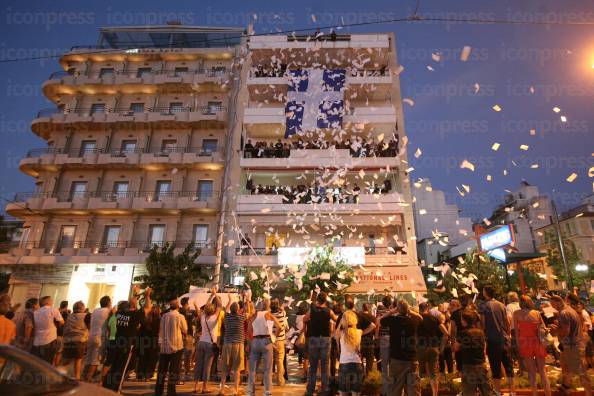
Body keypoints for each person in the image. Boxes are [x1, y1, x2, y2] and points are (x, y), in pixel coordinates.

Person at [549, 294, 591, 396]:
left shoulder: (564, 313)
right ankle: (565, 387)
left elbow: (565, 332)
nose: (553, 307)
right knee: (570, 369)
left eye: (553, 305)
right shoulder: (571, 310)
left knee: (581, 372)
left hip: (573, 346)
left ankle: (588, 392)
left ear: (558, 302)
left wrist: (555, 330)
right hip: (576, 344)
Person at [379, 299, 423, 396]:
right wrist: (409, 311)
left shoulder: (393, 320)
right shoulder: (413, 321)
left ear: (397, 309)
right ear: (407, 310)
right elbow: (420, 318)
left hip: (396, 359)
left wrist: (392, 311)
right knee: (414, 389)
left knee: (395, 388)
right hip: (412, 359)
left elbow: (380, 320)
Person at [512, 295, 550, 396]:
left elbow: (516, 332)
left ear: (520, 303)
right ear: (530, 302)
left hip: (525, 343)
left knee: (531, 372)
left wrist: (518, 345)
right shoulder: (536, 313)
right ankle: (548, 394)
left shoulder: (516, 314)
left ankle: (535, 394)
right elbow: (544, 329)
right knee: (542, 371)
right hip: (537, 342)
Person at [479, 286, 514, 395]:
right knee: (508, 366)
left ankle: (498, 392)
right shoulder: (501, 305)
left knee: (495, 367)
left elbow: (482, 324)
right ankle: (512, 392)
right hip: (504, 338)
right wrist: (508, 336)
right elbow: (506, 322)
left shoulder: (483, 306)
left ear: (485, 293)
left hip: (492, 340)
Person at [304, 291, 338, 396]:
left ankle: (310, 391)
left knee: (313, 366)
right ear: (326, 300)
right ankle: (324, 391)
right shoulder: (329, 311)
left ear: (318, 299)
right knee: (325, 366)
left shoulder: (312, 310)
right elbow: (337, 320)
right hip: (325, 339)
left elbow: (305, 319)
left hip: (313, 339)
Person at [454, 310, 495, 396]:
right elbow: (484, 348)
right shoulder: (480, 332)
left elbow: (456, 348)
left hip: (468, 365)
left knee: (469, 392)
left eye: (462, 319)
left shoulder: (462, 333)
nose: (461, 321)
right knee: (487, 391)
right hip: (481, 364)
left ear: (465, 321)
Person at [247, 298, 282, 396]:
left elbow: (249, 330)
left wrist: (250, 342)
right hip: (267, 341)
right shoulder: (269, 315)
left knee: (252, 369)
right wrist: (274, 337)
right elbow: (279, 327)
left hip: (255, 341)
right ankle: (267, 391)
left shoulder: (254, 315)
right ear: (268, 306)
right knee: (267, 369)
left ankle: (250, 391)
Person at [155, 297, 187, 396]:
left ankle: (158, 391)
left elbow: (160, 331)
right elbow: (185, 330)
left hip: (164, 347)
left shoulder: (164, 316)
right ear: (178, 306)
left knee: (162, 371)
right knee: (173, 371)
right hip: (176, 347)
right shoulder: (180, 316)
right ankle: (171, 392)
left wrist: (160, 344)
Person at [194, 297, 223, 394]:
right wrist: (215, 293)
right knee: (207, 366)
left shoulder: (203, 317)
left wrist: (211, 295)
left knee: (198, 364)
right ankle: (204, 387)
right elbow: (220, 305)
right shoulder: (215, 318)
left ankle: (195, 386)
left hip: (201, 342)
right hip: (209, 344)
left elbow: (207, 305)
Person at [417, 302, 447, 396]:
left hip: (421, 348)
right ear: (428, 308)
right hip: (434, 347)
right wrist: (441, 347)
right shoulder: (434, 319)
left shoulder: (418, 319)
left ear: (419, 309)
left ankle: (418, 393)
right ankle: (435, 394)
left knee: (418, 373)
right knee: (433, 374)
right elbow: (446, 333)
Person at [220, 301, 246, 396]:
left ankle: (222, 389)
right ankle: (236, 389)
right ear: (238, 309)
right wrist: (247, 299)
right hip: (238, 345)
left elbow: (222, 308)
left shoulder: (226, 317)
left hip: (227, 344)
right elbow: (248, 310)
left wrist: (229, 300)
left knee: (224, 368)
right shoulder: (241, 317)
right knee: (237, 368)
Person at [83, 295, 111, 382]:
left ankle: (84, 375)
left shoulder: (95, 310)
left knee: (88, 357)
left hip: (91, 335)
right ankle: (89, 377)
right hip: (100, 337)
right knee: (95, 359)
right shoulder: (108, 311)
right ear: (108, 303)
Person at [335, 310, 363, 396]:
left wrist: (340, 323)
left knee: (343, 393)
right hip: (357, 364)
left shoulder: (340, 333)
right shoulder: (359, 332)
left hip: (344, 364)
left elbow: (335, 335)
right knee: (356, 393)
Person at [62, 301, 90, 379]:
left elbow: (65, 328)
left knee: (66, 360)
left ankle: (59, 375)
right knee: (78, 359)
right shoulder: (86, 316)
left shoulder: (69, 316)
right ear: (83, 308)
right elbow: (90, 327)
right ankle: (77, 377)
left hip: (68, 340)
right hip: (79, 340)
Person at [33, 296, 64, 364]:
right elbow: (62, 322)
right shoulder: (53, 310)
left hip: (37, 340)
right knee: (47, 361)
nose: (52, 302)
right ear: (47, 302)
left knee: (37, 361)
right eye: (51, 301)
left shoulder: (36, 312)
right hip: (50, 339)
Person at [137, 305, 161, 381]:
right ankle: (147, 376)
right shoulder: (158, 319)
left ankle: (140, 376)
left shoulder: (145, 319)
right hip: (153, 341)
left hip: (143, 341)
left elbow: (139, 330)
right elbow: (160, 331)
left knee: (142, 358)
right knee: (151, 359)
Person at [376, 295, 393, 396]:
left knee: (384, 364)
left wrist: (376, 337)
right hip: (393, 339)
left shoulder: (380, 310)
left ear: (382, 302)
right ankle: (392, 389)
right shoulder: (393, 310)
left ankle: (385, 390)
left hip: (383, 338)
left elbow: (377, 323)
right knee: (392, 364)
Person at [270, 298, 289, 386]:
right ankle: (280, 380)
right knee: (280, 361)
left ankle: (267, 380)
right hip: (280, 341)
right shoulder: (282, 314)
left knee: (270, 361)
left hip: (270, 340)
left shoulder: (268, 315)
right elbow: (286, 327)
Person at [179, 297, 196, 379]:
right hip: (187, 334)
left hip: (181, 334)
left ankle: (181, 370)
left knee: (181, 353)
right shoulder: (185, 312)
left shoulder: (179, 311)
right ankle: (187, 371)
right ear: (186, 304)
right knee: (188, 354)